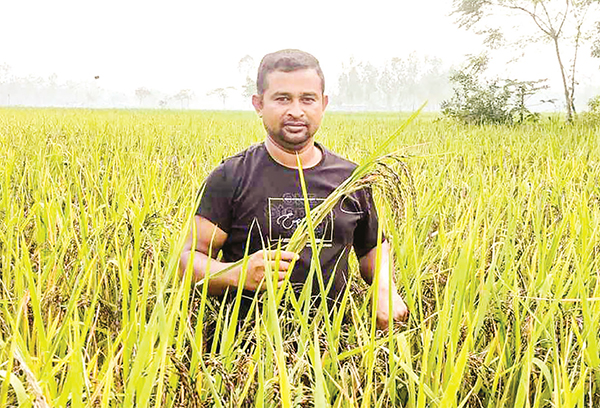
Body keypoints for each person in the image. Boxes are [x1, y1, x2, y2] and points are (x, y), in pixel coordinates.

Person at [179, 49, 408, 330]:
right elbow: (185, 262)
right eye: (282, 98)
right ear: (259, 104)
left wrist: (385, 290)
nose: (296, 111)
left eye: (307, 99)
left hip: (332, 347)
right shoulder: (230, 177)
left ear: (323, 104)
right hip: (243, 355)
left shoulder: (351, 178)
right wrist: (236, 273)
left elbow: (373, 249)